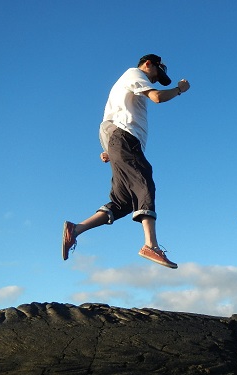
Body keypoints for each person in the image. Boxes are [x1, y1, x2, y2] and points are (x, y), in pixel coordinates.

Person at [62, 54, 190, 268]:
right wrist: (179, 90)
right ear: (148, 64)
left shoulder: (124, 87)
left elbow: (108, 121)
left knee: (124, 202)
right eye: (156, 74)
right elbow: (157, 97)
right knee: (144, 180)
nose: (155, 81)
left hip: (118, 142)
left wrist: (108, 150)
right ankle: (151, 245)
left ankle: (75, 229)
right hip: (126, 139)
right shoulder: (135, 74)